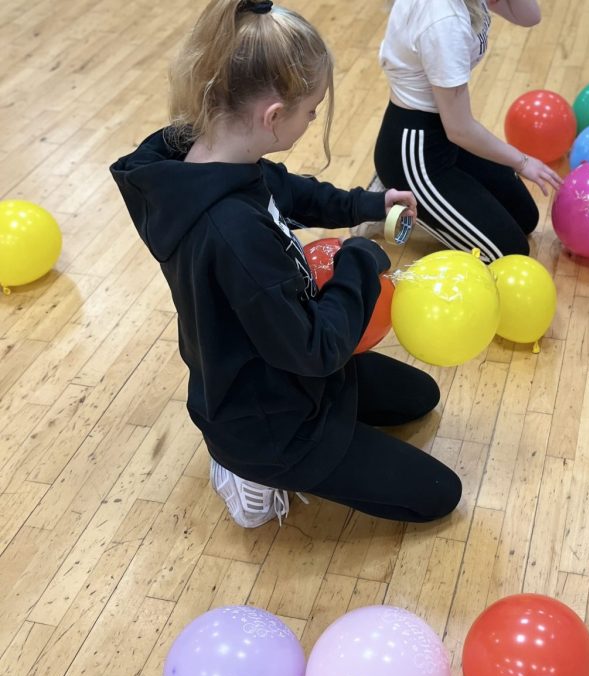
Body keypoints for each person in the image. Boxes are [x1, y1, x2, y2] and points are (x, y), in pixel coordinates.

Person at [110, 0, 462, 527]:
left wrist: (369, 205)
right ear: (274, 117)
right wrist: (360, 261)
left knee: (420, 396)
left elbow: (288, 191)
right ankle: (246, 473)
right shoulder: (232, 235)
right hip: (271, 423)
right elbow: (316, 350)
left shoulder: (211, 155)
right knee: (441, 494)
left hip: (275, 363)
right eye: (312, 110)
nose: (313, 118)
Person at [373, 0, 563, 263]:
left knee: (525, 217)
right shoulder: (443, 21)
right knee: (506, 254)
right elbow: (460, 129)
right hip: (416, 152)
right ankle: (388, 200)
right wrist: (523, 161)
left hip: (448, 133)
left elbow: (529, 16)